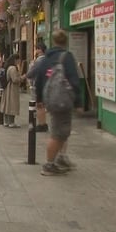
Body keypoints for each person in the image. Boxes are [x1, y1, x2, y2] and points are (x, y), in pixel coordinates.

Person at [31, 30, 81, 176]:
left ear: (53, 42)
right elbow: (73, 80)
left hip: (50, 99)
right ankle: (49, 164)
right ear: (65, 42)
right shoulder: (66, 57)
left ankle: (61, 158)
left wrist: (39, 99)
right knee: (57, 133)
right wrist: (78, 102)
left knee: (61, 130)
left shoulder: (46, 58)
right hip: (63, 100)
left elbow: (39, 78)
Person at [27, 43, 49, 132]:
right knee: (42, 105)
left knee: (39, 105)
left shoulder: (39, 61)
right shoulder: (48, 60)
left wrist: (30, 68)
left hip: (38, 85)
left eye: (37, 49)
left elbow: (31, 73)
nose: (36, 51)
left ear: (40, 50)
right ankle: (43, 123)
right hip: (46, 85)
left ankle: (41, 124)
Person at [1, 54, 25, 128]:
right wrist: (22, 77)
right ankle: (11, 122)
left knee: (7, 104)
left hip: (7, 88)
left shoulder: (8, 67)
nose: (19, 61)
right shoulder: (13, 68)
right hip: (11, 89)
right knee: (12, 104)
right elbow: (15, 79)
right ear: (15, 60)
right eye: (18, 60)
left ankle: (6, 121)